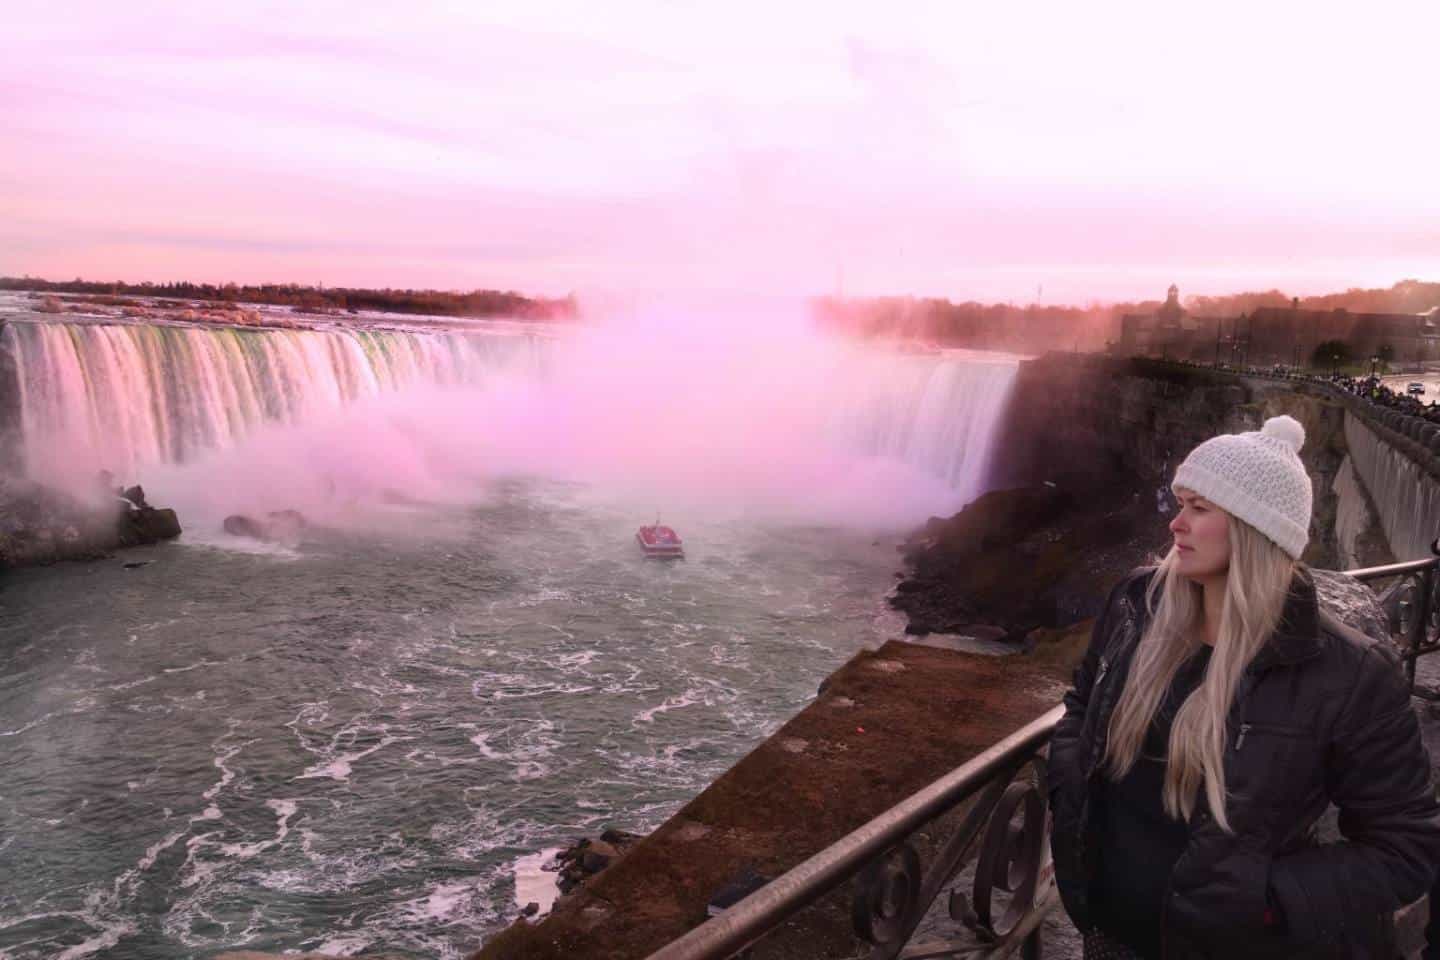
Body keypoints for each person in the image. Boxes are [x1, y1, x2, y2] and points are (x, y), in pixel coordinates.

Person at [1047, 415, 1440, 959]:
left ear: (1257, 530)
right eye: (1180, 503)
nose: (1175, 524)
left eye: (1199, 508)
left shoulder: (1347, 672)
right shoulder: (1137, 605)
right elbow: (1083, 702)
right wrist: (1068, 791)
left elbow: (1406, 846)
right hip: (1108, 932)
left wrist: (1267, 903)